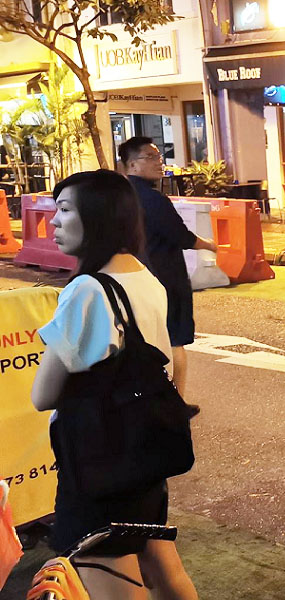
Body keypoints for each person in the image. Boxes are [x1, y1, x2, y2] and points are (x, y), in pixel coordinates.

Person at [30, 170, 198, 600]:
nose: (53, 221)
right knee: (161, 564)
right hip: (142, 452)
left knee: (111, 580)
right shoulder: (144, 275)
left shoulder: (87, 289)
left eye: (65, 210)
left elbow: (42, 395)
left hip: (99, 461)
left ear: (98, 216)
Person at [117, 137, 215, 413]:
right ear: (132, 164)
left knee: (140, 339)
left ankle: (142, 401)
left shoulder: (118, 196)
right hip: (165, 277)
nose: (159, 162)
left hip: (131, 276)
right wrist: (209, 245)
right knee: (174, 339)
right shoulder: (153, 199)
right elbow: (181, 237)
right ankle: (175, 404)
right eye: (150, 157)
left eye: (159, 156)